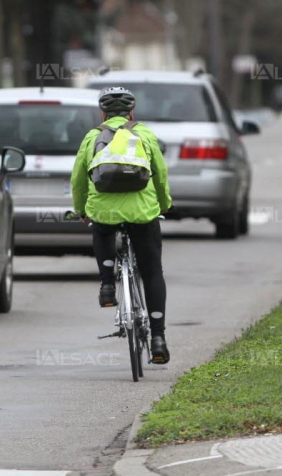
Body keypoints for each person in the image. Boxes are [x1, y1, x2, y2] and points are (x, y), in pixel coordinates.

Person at [70, 87, 172, 364]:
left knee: (102, 226)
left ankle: (106, 286)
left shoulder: (92, 137)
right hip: (142, 211)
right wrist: (164, 204)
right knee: (152, 272)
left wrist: (82, 210)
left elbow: (78, 179)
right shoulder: (145, 134)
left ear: (102, 114)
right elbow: (160, 174)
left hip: (104, 209)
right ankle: (158, 339)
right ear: (132, 113)